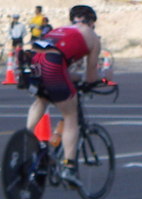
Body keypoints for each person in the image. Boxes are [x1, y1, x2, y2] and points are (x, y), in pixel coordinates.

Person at [25, 5, 101, 187]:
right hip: (53, 64)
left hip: (33, 61)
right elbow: (91, 76)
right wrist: (95, 82)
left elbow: (55, 61)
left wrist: (76, 77)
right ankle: (69, 167)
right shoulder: (92, 37)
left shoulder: (61, 30)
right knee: (70, 115)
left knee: (41, 99)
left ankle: (25, 138)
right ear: (91, 23)